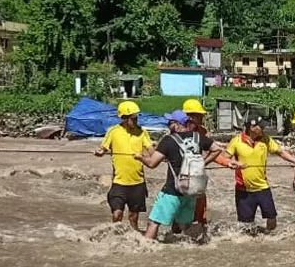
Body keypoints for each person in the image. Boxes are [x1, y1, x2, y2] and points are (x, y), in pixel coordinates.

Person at [137, 111, 238, 240]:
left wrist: (140, 157)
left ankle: (146, 250)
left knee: (153, 223)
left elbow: (152, 164)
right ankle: (203, 243)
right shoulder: (198, 137)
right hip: (191, 191)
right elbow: (217, 149)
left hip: (173, 191)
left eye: (171, 122)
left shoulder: (168, 140)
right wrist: (203, 162)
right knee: (186, 225)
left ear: (178, 124)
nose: (168, 125)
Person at [227, 117, 295, 231]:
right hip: (243, 189)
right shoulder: (236, 141)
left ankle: (269, 237)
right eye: (261, 126)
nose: (264, 128)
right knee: (245, 224)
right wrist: (232, 163)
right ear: (251, 127)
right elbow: (225, 158)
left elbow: (280, 152)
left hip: (262, 187)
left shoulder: (266, 139)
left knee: (272, 216)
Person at [94, 101, 153, 231]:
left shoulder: (142, 132)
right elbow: (103, 149)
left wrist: (160, 155)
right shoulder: (113, 132)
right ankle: (114, 238)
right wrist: (99, 152)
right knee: (117, 214)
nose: (136, 120)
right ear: (124, 118)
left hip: (137, 182)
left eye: (137, 117)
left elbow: (151, 150)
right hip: (119, 182)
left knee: (133, 217)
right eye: (133, 118)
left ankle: (134, 241)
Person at [182, 98, 231, 225]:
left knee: (200, 209)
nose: (202, 117)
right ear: (191, 116)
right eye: (200, 115)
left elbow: (213, 152)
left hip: (197, 176)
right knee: (181, 210)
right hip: (181, 176)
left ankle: (201, 233)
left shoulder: (203, 132)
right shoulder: (177, 132)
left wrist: (227, 163)